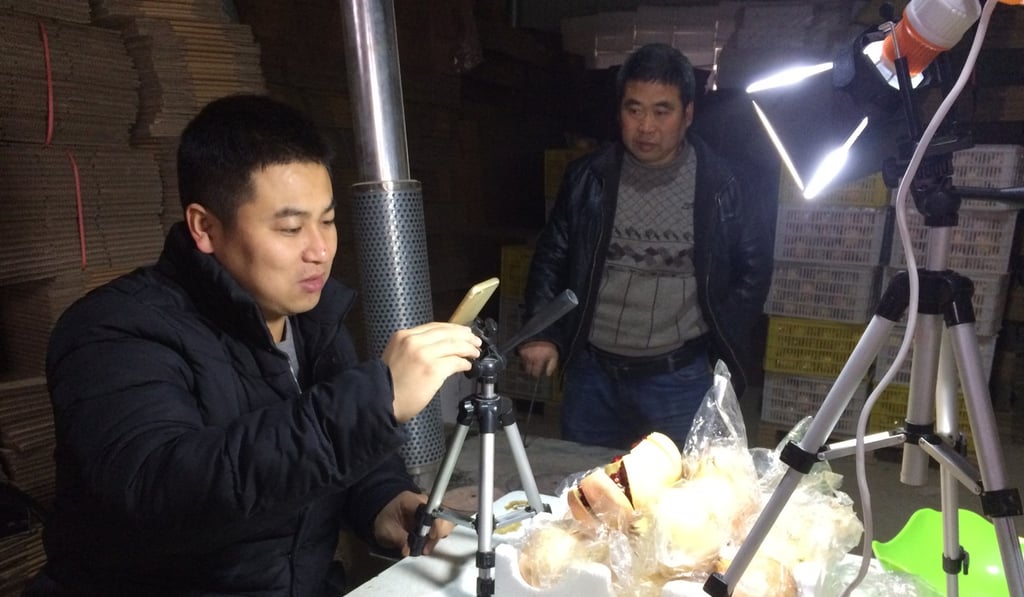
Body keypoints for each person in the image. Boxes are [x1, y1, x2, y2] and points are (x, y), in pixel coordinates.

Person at [24, 94, 482, 596]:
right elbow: (161, 491)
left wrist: (382, 500)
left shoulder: (312, 319)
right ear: (205, 227)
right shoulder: (113, 331)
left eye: (328, 220)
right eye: (290, 228)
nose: (320, 249)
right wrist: (371, 402)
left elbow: (331, 461)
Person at [517, 43, 773, 451]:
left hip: (681, 378)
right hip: (593, 376)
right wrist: (543, 332)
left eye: (661, 111)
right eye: (634, 110)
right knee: (588, 482)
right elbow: (553, 255)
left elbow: (753, 270)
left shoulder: (723, 185)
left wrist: (719, 346)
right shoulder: (588, 179)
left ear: (688, 114)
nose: (646, 127)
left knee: (682, 485)